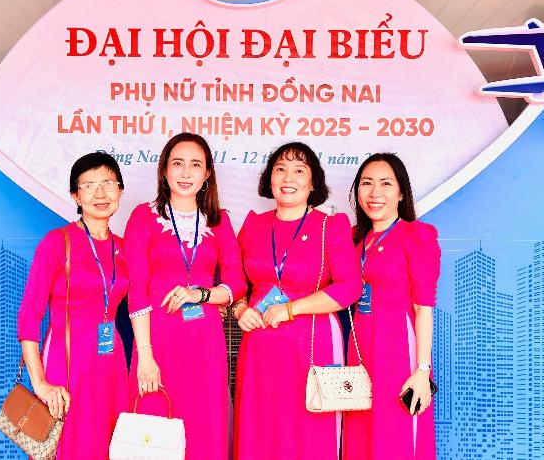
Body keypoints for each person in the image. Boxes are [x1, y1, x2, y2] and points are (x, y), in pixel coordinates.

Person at [232, 142, 361, 460]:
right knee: (258, 432)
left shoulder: (331, 226)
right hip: (259, 349)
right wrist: (239, 308)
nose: (288, 177)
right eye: (280, 169)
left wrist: (291, 309)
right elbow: (235, 282)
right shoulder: (253, 224)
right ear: (270, 178)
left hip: (312, 347)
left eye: (299, 170)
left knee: (308, 436)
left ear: (313, 182)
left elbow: (349, 288)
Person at [123, 132, 246, 460]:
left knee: (204, 429)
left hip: (205, 344)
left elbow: (237, 284)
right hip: (157, 341)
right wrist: (145, 356)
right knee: (153, 430)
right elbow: (137, 289)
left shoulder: (219, 220)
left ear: (207, 173)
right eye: (178, 163)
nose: (186, 172)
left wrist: (201, 294)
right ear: (164, 170)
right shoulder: (143, 216)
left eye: (196, 165)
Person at [17, 152, 130, 459]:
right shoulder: (58, 242)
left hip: (111, 364)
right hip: (67, 362)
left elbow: (146, 302)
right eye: (89, 185)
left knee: (110, 444)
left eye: (108, 183)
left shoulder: (124, 248)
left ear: (120, 191)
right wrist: (40, 383)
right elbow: (29, 316)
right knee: (68, 444)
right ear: (75, 196)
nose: (100, 193)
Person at [342, 153, 441, 460]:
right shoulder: (355, 240)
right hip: (359, 349)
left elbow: (424, 308)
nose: (375, 193)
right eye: (367, 183)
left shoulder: (416, 236)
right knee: (361, 437)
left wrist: (422, 371)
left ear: (401, 193)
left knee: (395, 436)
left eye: (386, 184)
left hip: (397, 349)